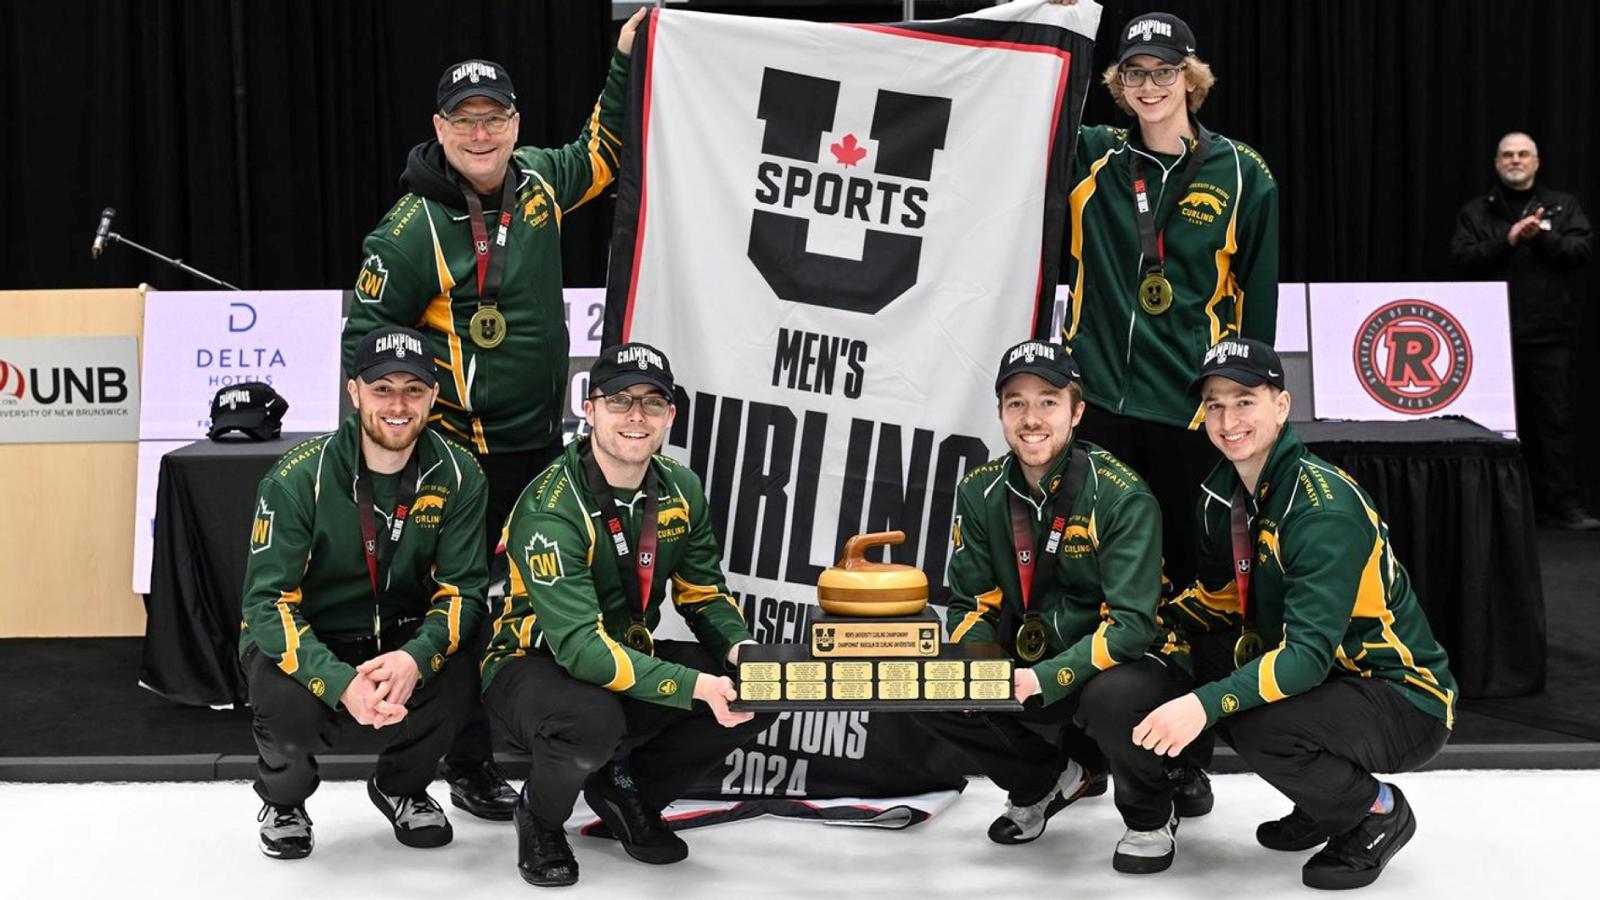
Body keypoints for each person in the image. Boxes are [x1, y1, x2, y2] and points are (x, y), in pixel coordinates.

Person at [340, 9, 648, 819]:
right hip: (457, 457)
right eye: (465, 121)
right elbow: (365, 345)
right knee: (464, 614)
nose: (482, 134)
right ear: (440, 128)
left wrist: (624, 58)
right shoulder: (409, 232)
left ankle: (582, 752)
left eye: (496, 118)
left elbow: (607, 152)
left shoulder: (541, 181)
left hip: (543, 451)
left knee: (555, 604)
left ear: (515, 122)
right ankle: (468, 765)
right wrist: (390, 443)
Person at [1050, 0, 1280, 799]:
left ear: (1192, 79)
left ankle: (1186, 763)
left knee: (1194, 594)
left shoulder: (1245, 173)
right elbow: (1011, 99)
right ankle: (1099, 755)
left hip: (1190, 419)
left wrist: (1248, 418)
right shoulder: (1089, 161)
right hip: (1103, 416)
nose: (1151, 86)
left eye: (1165, 72)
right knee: (1100, 585)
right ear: (1117, 83)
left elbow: (1258, 305)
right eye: (1135, 73)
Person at [1139, 337, 1456, 891]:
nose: (1228, 419)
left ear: (1281, 406)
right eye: (1215, 404)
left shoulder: (1322, 508)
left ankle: (1376, 811)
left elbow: (1307, 657)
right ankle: (1324, 799)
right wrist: (1145, 622)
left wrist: (1200, 706)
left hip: (1400, 695)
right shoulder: (1222, 491)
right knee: (1182, 657)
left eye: (1245, 401)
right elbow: (1220, 600)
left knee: (1258, 721)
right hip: (1326, 676)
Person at [479, 342, 771, 887]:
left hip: (624, 654)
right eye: (620, 400)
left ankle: (626, 789)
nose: (637, 416)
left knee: (759, 689)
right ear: (589, 410)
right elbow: (581, 649)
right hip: (530, 664)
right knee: (591, 722)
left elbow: (704, 592)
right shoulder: (551, 507)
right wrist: (693, 685)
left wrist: (743, 653)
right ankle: (540, 818)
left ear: (670, 416)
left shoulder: (680, 487)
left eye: (652, 403)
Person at [910, 339, 1197, 874]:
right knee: (933, 682)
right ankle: (1047, 780)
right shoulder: (980, 490)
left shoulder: (1119, 494)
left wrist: (1044, 676)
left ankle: (1150, 814)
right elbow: (972, 600)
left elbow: (1134, 626)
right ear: (999, 412)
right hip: (1035, 659)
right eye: (1015, 402)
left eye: (1048, 400)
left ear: (1077, 411)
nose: (1031, 417)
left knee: (1116, 697)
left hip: (1135, 660)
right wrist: (973, 666)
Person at [240, 325, 488, 859]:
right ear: (354, 392)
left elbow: (463, 592)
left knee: (462, 666)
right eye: (382, 389)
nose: (398, 405)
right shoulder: (297, 478)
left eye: (414, 390)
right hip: (315, 636)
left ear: (433, 395)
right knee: (284, 705)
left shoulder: (460, 474)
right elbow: (265, 603)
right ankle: (284, 800)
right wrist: (338, 682)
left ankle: (402, 787)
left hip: (400, 639)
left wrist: (413, 658)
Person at [1451, 131, 1597, 530]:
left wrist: (1543, 238)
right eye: (1507, 155)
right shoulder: (1478, 211)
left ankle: (1561, 502)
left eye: (1523, 154)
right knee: (1489, 426)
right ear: (1497, 163)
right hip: (1489, 338)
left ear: (1536, 162)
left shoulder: (1562, 206)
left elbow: (1580, 251)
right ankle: (1489, 508)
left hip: (1549, 333)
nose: (1515, 160)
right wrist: (1509, 240)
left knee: (1554, 422)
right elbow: (1462, 259)